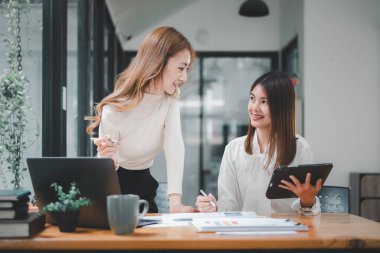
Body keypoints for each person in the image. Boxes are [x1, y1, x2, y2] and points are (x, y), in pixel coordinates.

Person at [86, 26, 196, 213]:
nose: (184, 77)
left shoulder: (170, 100)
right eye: (180, 68)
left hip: (145, 186)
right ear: (158, 62)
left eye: (186, 69)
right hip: (112, 190)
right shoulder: (114, 109)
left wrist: (175, 203)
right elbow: (108, 165)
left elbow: (174, 146)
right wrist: (107, 158)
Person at [195, 71, 322, 216]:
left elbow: (308, 213)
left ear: (282, 107)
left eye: (264, 102)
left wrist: (307, 201)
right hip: (245, 233)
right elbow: (229, 203)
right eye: (252, 98)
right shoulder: (233, 149)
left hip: (286, 234)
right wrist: (215, 207)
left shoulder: (300, 148)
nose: (254, 108)